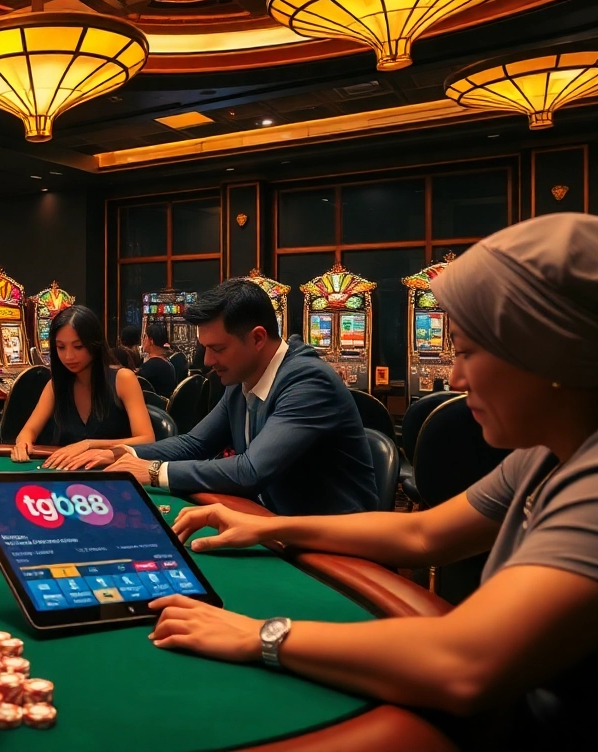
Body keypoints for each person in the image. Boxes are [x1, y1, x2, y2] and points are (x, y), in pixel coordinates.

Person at [148, 213, 598, 749]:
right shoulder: (545, 453)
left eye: (468, 352)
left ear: (548, 352)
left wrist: (260, 634)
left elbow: (465, 665)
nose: (453, 378)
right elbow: (421, 534)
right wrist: (260, 525)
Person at [86, 278, 377, 516]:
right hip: (277, 525)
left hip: (337, 553)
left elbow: (250, 470)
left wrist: (152, 471)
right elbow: (195, 443)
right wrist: (123, 454)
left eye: (219, 349)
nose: (209, 360)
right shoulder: (242, 379)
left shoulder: (308, 382)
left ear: (258, 338)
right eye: (205, 348)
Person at [11, 305, 156, 470]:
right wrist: (23, 443)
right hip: (66, 475)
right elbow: (28, 431)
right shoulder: (55, 385)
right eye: (61, 347)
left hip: (115, 474)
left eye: (78, 346)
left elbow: (146, 439)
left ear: (95, 344)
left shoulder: (123, 379)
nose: (68, 356)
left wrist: (89, 445)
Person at [138, 322, 178, 398]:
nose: (143, 341)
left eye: (145, 337)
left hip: (154, 407)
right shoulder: (166, 362)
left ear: (151, 341)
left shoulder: (152, 365)